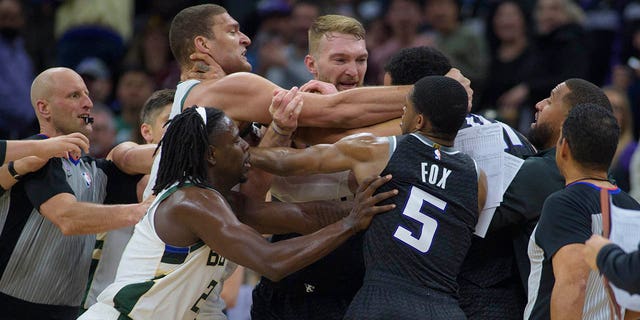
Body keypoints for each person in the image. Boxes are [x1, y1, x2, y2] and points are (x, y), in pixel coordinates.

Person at [80, 106, 398, 320]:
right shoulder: (192, 203)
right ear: (213, 155)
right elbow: (272, 263)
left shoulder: (222, 201)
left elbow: (303, 217)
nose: (247, 148)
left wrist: (374, 205)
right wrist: (350, 222)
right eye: (236, 141)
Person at [250, 75, 487, 319]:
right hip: (445, 308)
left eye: (407, 107)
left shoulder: (379, 150)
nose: (402, 112)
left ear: (418, 120)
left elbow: (287, 163)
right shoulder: (477, 178)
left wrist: (243, 151)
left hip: (384, 301)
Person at [0, 67, 154, 319]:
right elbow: (68, 217)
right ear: (44, 108)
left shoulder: (92, 170)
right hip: (11, 306)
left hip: (66, 310)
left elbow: (136, 165)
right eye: (74, 96)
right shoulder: (37, 155)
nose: (88, 103)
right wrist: (139, 211)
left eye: (87, 94)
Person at [251, 14, 370, 320]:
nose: (352, 71)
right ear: (311, 64)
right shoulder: (278, 110)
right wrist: (281, 128)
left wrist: (342, 115)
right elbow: (251, 193)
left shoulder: (379, 116)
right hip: (290, 275)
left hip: (356, 276)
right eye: (340, 59)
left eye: (361, 60)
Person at [489, 79, 613, 292]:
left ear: (568, 124)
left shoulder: (541, 172)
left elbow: (470, 218)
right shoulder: (620, 195)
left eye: (550, 100)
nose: (538, 104)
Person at [525, 103, 640, 319]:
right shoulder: (634, 209)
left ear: (564, 147)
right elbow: (635, 300)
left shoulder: (564, 203)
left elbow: (574, 283)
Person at [82, 89, 175, 310]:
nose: (182, 130)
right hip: (98, 305)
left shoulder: (200, 187)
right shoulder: (126, 156)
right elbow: (127, 157)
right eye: (171, 120)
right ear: (146, 131)